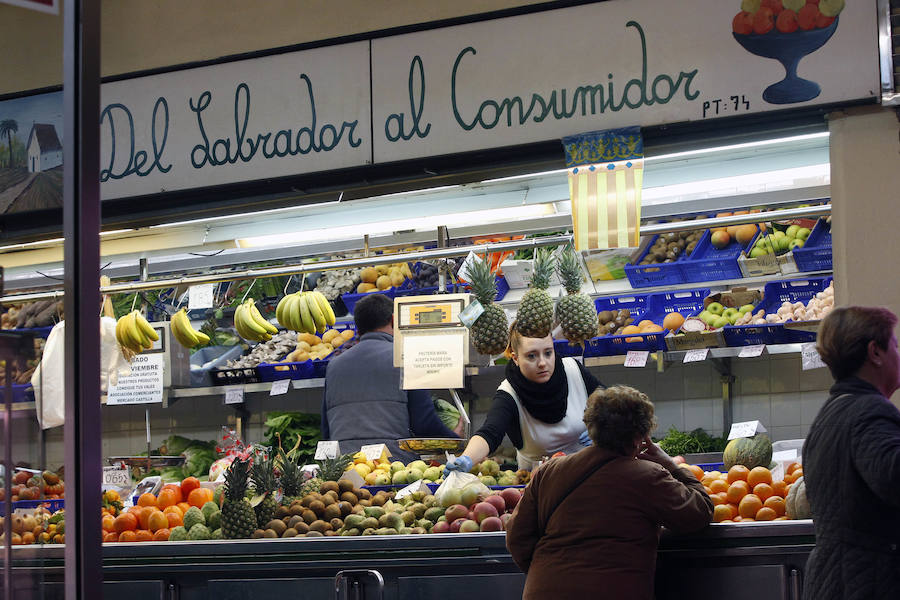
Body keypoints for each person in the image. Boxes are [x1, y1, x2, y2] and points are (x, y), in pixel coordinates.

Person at [505, 385, 713, 600]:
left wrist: (547, 571)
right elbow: (699, 512)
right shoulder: (647, 476)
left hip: (545, 590)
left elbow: (517, 537)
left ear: (591, 427)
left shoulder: (548, 472)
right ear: (640, 436)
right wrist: (670, 464)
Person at [801, 306, 900, 600]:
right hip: (866, 583)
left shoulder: (831, 412)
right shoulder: (869, 411)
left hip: (836, 580)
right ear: (875, 352)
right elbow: (894, 478)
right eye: (894, 345)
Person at [444, 322, 602, 475]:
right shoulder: (509, 393)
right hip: (539, 484)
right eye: (531, 356)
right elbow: (490, 433)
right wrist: (466, 459)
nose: (542, 363)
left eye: (548, 353)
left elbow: (611, 405)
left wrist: (601, 426)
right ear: (515, 358)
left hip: (590, 472)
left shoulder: (574, 371)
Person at [321, 293, 461, 463]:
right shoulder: (406, 357)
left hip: (344, 467)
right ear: (394, 320)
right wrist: (455, 439)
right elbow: (424, 423)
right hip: (390, 466)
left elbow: (326, 429)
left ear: (357, 328)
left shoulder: (333, 365)